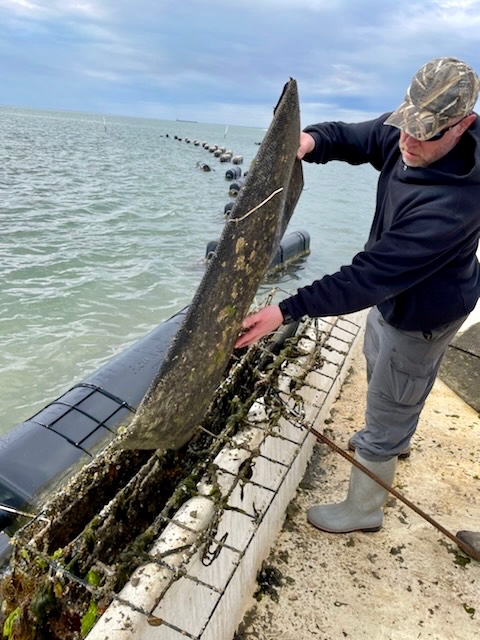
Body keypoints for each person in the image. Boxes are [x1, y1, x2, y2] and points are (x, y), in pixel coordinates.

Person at [235, 57, 480, 556]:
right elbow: (355, 136)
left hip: (424, 312)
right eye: (405, 127)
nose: (408, 143)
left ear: (464, 126)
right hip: (398, 297)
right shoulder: (408, 132)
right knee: (382, 364)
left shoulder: (454, 205)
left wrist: (286, 309)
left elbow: (368, 276)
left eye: (425, 135)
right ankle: (392, 435)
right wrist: (312, 141)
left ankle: (365, 508)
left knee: (397, 384)